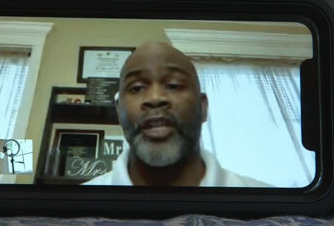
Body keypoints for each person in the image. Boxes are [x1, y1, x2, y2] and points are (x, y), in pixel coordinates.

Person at [84, 41, 269, 187]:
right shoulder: (70, 212)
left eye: (174, 85)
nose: (155, 98)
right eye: (137, 88)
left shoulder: (272, 209)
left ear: (203, 107)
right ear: (118, 111)